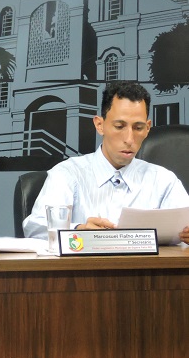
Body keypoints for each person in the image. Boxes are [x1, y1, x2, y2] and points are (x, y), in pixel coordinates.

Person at [23, 81, 189, 242]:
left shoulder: (164, 180)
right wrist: (79, 230)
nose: (129, 139)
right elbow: (35, 227)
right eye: (119, 126)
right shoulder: (67, 174)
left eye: (138, 128)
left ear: (147, 128)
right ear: (99, 125)